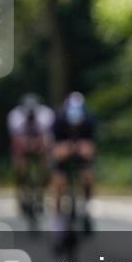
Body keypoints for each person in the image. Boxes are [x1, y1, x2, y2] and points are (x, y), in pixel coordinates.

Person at [51, 91, 97, 233]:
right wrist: (64, 150)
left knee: (87, 178)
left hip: (81, 154)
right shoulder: (58, 120)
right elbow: (55, 148)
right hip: (63, 153)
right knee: (58, 184)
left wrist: (83, 150)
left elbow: (91, 147)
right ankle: (58, 222)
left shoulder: (89, 121)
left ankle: (85, 208)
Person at [7, 94, 55, 224]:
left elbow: (48, 138)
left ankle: (41, 188)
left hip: (40, 143)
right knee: (20, 167)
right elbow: (16, 139)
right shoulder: (15, 116)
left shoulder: (46, 115)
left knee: (46, 164)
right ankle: (22, 190)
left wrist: (40, 148)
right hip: (23, 144)